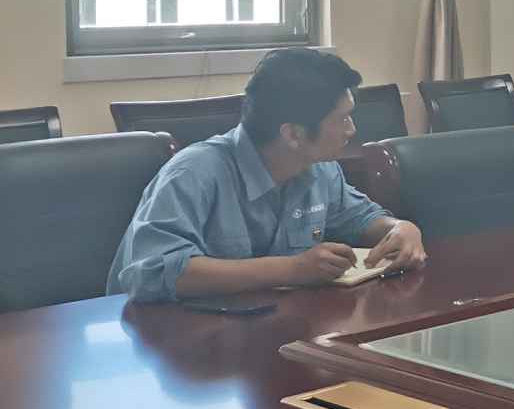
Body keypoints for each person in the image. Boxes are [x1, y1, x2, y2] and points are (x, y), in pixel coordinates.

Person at [109, 48, 426, 303]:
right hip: (162, 341)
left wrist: (402, 229)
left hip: (261, 327)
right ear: (293, 134)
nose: (351, 130)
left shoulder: (319, 168)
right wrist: (292, 269)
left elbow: (361, 219)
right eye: (342, 119)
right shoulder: (193, 173)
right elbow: (153, 271)